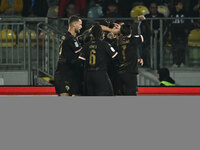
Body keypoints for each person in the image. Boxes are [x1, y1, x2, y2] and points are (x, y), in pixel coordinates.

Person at [78, 23, 118, 96]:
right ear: (102, 34)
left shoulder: (86, 45)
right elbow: (115, 57)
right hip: (100, 74)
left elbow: (80, 60)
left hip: (88, 75)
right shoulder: (105, 44)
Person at [54, 15, 83, 96]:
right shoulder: (70, 39)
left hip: (68, 73)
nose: (81, 26)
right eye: (80, 24)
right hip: (64, 75)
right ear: (74, 24)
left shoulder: (66, 37)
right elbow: (81, 53)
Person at [113, 24, 144, 95]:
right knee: (131, 93)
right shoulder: (134, 40)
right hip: (131, 72)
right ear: (131, 31)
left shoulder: (117, 41)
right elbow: (141, 37)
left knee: (121, 94)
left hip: (120, 71)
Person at [169, 1, 188, 68]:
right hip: (174, 33)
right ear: (176, 5)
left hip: (183, 34)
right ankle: (175, 62)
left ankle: (182, 62)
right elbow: (169, 22)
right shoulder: (172, 13)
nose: (181, 5)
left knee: (182, 48)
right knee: (175, 49)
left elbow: (188, 22)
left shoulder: (185, 13)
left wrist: (186, 30)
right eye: (180, 4)